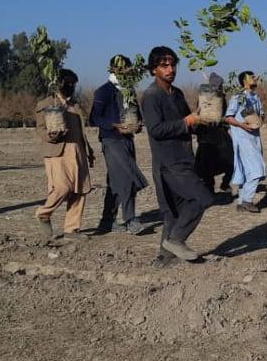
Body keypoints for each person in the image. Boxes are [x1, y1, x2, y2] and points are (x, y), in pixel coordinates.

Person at [140, 46, 214, 267]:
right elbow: (156, 129)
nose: (170, 69)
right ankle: (176, 239)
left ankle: (163, 258)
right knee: (204, 197)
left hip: (183, 159)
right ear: (154, 69)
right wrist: (186, 123)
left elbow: (188, 124)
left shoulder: (178, 93)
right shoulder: (151, 96)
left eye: (172, 64)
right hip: (168, 163)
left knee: (174, 211)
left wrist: (202, 121)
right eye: (164, 65)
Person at [89, 55, 149, 235]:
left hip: (127, 140)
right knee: (129, 177)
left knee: (116, 182)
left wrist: (138, 126)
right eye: (123, 69)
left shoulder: (129, 90)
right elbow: (94, 118)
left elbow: (136, 114)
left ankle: (107, 221)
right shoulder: (103, 91)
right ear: (113, 69)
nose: (126, 72)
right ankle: (131, 220)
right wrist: (114, 125)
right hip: (111, 140)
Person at [34, 69, 95, 241]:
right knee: (62, 187)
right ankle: (43, 213)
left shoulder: (75, 105)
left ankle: (72, 229)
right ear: (59, 83)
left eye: (74, 84)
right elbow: (40, 129)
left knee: (80, 190)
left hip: (77, 151)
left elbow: (81, 132)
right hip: (57, 152)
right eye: (68, 83)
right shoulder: (46, 104)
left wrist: (88, 151)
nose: (71, 87)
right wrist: (51, 136)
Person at [225, 70, 266, 213]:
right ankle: (248, 200)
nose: (255, 78)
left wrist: (260, 119)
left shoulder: (255, 97)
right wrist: (242, 125)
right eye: (252, 77)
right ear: (245, 80)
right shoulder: (238, 97)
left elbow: (260, 115)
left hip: (255, 138)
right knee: (257, 169)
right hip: (243, 139)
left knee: (248, 170)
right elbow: (228, 117)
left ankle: (241, 201)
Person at [194, 73, 234, 194]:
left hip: (220, 134)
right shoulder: (203, 98)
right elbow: (199, 112)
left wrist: (222, 121)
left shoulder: (221, 97)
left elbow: (224, 114)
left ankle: (225, 183)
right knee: (207, 165)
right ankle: (209, 189)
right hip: (206, 135)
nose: (219, 87)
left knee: (231, 161)